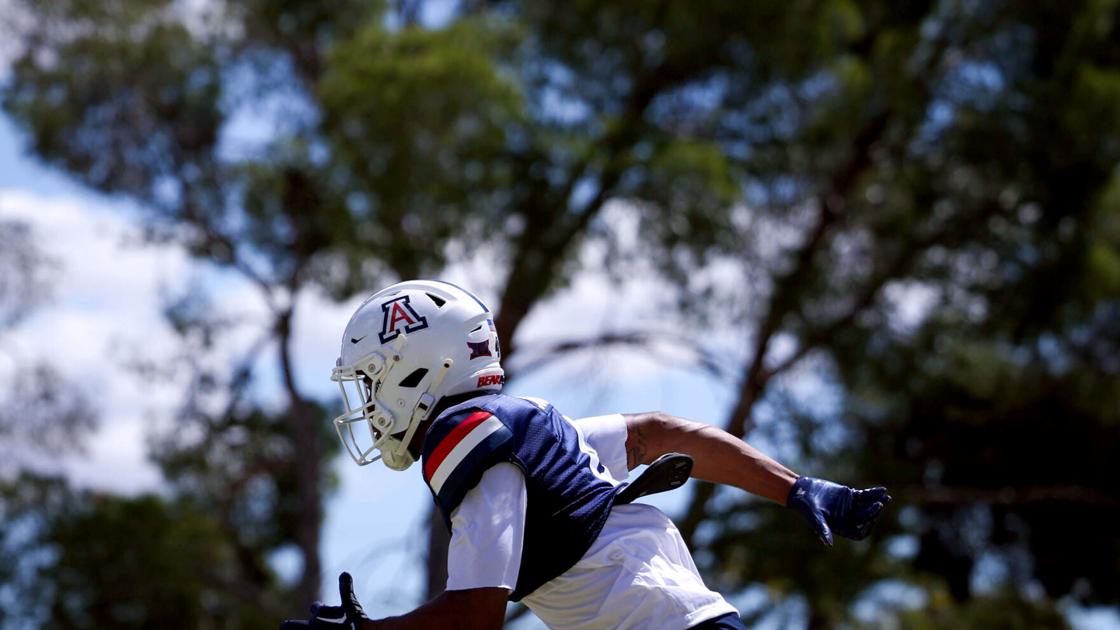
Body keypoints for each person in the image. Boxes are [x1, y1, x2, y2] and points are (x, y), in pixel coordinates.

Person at [280, 280, 890, 630]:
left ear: (418, 370)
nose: (366, 403)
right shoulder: (535, 425)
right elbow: (659, 433)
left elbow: (475, 615)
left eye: (371, 381)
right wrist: (796, 486)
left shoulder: (470, 439)